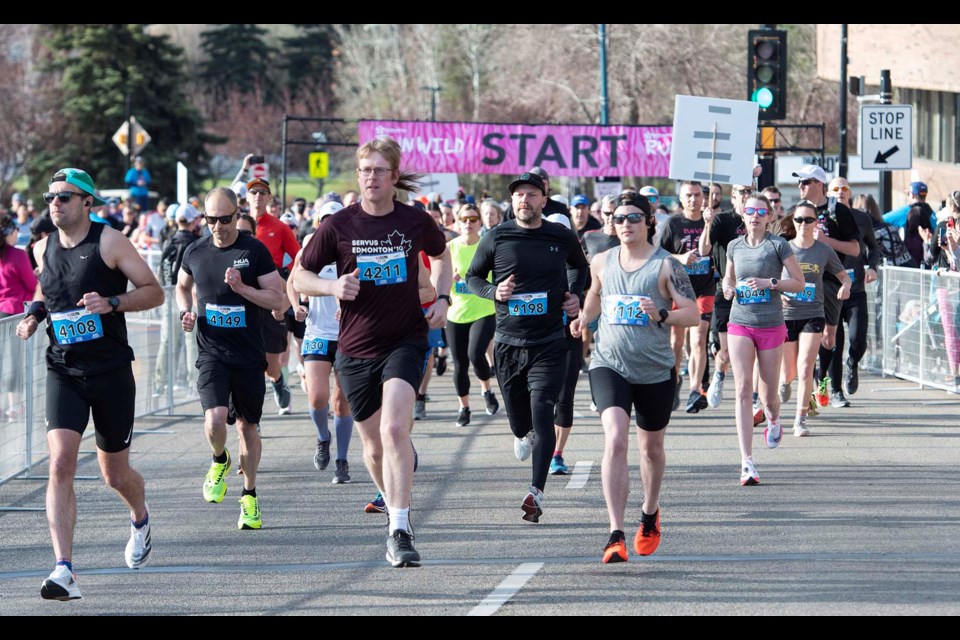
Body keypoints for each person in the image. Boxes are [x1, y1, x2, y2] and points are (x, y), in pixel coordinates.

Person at [295, 136, 452, 568]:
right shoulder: (338, 226)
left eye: (380, 170)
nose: (371, 177)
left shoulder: (414, 220)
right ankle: (392, 508)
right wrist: (330, 286)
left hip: (404, 340)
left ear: (394, 176)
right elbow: (300, 275)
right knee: (372, 445)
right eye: (365, 170)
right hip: (355, 347)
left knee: (395, 430)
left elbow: (442, 258)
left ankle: (400, 526)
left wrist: (441, 298)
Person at [17, 168, 165, 600]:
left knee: (114, 474)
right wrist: (33, 316)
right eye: (50, 197)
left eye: (65, 196)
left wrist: (112, 302)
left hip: (112, 372)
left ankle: (140, 517)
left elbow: (153, 291)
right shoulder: (40, 246)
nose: (55, 203)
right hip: (63, 368)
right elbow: (48, 292)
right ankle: (64, 569)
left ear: (87, 202)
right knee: (60, 463)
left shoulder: (110, 241)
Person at [570, 192, 699, 563]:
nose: (625, 224)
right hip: (609, 362)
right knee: (615, 440)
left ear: (648, 223)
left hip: (655, 369)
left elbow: (692, 314)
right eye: (619, 218)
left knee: (651, 449)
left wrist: (662, 314)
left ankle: (650, 512)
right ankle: (615, 532)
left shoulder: (665, 266)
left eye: (633, 218)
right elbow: (595, 294)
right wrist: (584, 317)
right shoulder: (601, 260)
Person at [465, 171, 587, 523]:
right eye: (519, 195)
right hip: (507, 344)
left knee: (542, 407)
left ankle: (536, 490)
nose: (524, 200)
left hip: (549, 341)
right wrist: (494, 292)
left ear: (543, 201)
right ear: (512, 201)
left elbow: (580, 269)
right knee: (520, 423)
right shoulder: (496, 236)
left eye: (532, 194)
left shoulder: (560, 236)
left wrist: (574, 297)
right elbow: (473, 277)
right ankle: (525, 433)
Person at [177, 187, 285, 530]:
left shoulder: (253, 251)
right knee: (215, 418)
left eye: (225, 218)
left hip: (248, 354)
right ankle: (218, 459)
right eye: (211, 219)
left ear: (237, 215)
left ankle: (249, 496)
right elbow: (182, 285)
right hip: (212, 351)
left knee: (247, 427)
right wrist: (187, 311)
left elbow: (276, 299)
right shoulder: (194, 250)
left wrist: (243, 290)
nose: (218, 225)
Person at [721, 193, 804, 486]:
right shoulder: (734, 246)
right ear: (743, 216)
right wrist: (728, 288)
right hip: (740, 322)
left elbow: (798, 282)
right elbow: (728, 279)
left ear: (769, 216)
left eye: (760, 211)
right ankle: (746, 462)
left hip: (770, 324)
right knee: (743, 389)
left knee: (768, 397)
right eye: (749, 211)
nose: (754, 215)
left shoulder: (777, 245)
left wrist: (771, 283)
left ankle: (773, 419)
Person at [287, 200, 355, 482]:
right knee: (317, 397)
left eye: (335, 219)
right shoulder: (309, 250)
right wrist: (296, 307)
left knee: (342, 402)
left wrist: (350, 306)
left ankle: (341, 460)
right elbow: (292, 282)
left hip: (347, 334)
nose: (329, 224)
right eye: (325, 219)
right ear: (318, 223)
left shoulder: (351, 252)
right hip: (316, 332)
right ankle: (322, 437)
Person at [777, 201, 851, 436]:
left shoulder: (823, 250)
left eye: (809, 220)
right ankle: (785, 382)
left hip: (813, 313)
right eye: (799, 219)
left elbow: (843, 275)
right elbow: (770, 279)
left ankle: (799, 420)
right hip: (788, 314)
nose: (803, 224)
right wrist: (777, 294)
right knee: (790, 372)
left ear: (816, 222)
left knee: (806, 364)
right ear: (793, 222)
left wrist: (845, 287)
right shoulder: (783, 248)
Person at [789, 166, 860, 410]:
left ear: (819, 184)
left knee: (829, 339)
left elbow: (855, 249)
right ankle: (805, 388)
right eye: (799, 183)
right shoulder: (796, 212)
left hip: (830, 282)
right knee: (799, 344)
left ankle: (822, 378)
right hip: (802, 284)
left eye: (805, 182)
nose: (801, 187)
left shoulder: (837, 210)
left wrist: (825, 241)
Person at [242, 170, 300, 415]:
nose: (257, 196)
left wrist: (286, 281)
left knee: (270, 363)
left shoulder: (279, 227)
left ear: (269, 198)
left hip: (272, 290)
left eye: (262, 192)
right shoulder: (237, 225)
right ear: (246, 197)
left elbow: (300, 260)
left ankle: (277, 380)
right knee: (246, 359)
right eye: (253, 192)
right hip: (243, 292)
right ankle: (250, 415)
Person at [659, 180, 715, 413]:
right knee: (676, 343)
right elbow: (659, 254)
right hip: (677, 290)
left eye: (697, 195)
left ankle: (695, 390)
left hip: (704, 289)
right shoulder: (673, 223)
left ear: (704, 198)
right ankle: (674, 383)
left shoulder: (711, 220)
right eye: (688, 195)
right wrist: (680, 259)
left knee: (699, 339)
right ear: (681, 199)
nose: (693, 199)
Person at [823, 177, 879, 403]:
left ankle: (853, 362)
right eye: (835, 188)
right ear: (827, 192)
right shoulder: (823, 219)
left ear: (851, 193)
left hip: (855, 291)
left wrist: (873, 267)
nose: (840, 191)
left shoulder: (862, 218)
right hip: (832, 290)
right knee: (834, 342)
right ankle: (836, 391)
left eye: (844, 188)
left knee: (858, 340)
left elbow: (874, 248)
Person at [699, 180, 754, 408]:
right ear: (733, 195)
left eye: (751, 191)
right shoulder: (723, 220)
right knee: (727, 352)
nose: (746, 195)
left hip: (754, 292)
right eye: (743, 191)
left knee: (754, 348)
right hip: (727, 290)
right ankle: (719, 375)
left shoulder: (759, 219)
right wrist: (707, 224)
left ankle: (753, 395)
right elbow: (704, 250)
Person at [446, 203, 499, 427]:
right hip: (456, 313)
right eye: (464, 218)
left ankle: (486, 390)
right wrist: (450, 279)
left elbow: (498, 278)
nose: (469, 223)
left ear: (479, 223)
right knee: (459, 364)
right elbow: (434, 281)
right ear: (457, 222)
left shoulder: (487, 246)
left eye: (473, 218)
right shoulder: (449, 248)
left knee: (476, 354)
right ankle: (464, 407)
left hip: (484, 310)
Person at [153, 203, 201, 396]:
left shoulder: (168, 241)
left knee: (166, 341)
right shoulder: (195, 244)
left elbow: (160, 273)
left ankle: (160, 383)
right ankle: (193, 384)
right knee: (191, 340)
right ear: (192, 221)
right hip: (188, 296)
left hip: (168, 296)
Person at [0, 213, 37, 420]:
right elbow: (32, 285)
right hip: (14, 312)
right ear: (8, 233)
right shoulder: (17, 255)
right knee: (14, 361)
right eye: (14, 230)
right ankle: (14, 407)